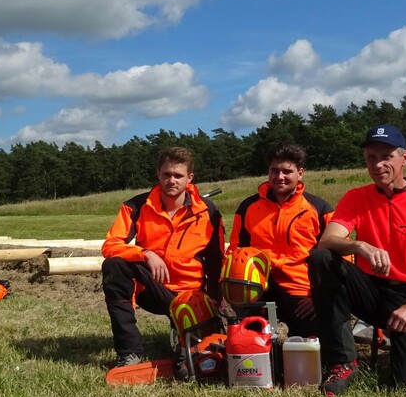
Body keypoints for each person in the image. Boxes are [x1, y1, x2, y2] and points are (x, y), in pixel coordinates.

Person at [308, 124, 406, 394]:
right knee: (322, 258)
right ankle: (343, 360)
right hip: (371, 289)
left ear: (404, 158)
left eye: (386, 156)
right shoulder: (356, 198)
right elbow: (327, 241)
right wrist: (358, 245)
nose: (378, 164)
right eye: (371, 157)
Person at [101, 147, 224, 368]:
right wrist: (144, 253)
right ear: (158, 174)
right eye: (166, 174)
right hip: (153, 288)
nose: (171, 180)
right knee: (114, 265)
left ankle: (182, 335)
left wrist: (214, 298)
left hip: (190, 294)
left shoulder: (208, 211)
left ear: (190, 178)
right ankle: (129, 352)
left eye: (178, 175)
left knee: (195, 361)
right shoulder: (137, 206)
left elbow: (216, 260)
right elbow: (110, 245)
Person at [227, 142, 333, 338]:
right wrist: (231, 292)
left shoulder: (318, 208)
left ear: (300, 173)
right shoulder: (248, 207)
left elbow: (335, 259)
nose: (280, 177)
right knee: (249, 344)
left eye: (287, 171)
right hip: (256, 285)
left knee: (311, 348)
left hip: (301, 289)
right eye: (274, 171)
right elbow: (235, 250)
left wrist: (319, 298)